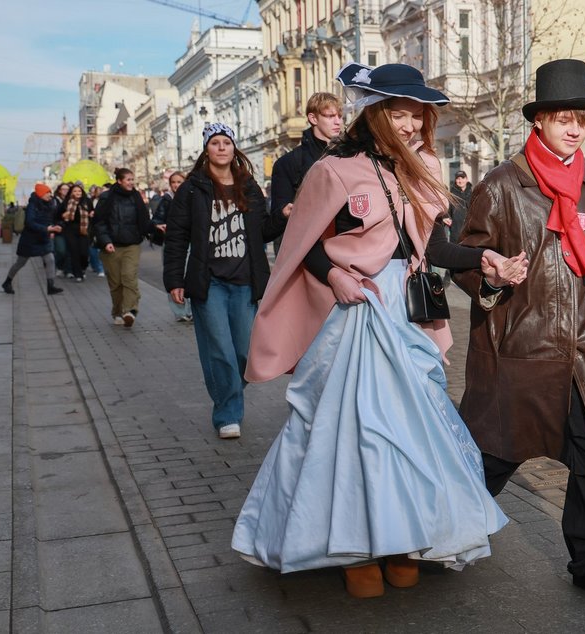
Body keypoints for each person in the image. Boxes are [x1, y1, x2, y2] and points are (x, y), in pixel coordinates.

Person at [232, 62, 526, 599]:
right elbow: (301, 245)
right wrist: (335, 275)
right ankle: (355, 549)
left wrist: (484, 258)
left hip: (405, 312)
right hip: (356, 311)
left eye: (418, 115)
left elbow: (435, 249)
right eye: (399, 114)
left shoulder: (426, 165)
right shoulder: (333, 169)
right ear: (374, 112)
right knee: (349, 429)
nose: (411, 125)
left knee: (411, 430)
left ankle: (400, 541)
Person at [453, 58, 585, 605]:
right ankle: (443, 533)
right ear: (538, 120)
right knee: (491, 458)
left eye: (581, 119)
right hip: (520, 346)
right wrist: (491, 274)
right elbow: (465, 259)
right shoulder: (501, 185)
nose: (575, 128)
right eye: (563, 118)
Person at [165, 124, 288, 439]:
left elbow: (262, 231)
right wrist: (174, 279)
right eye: (215, 143)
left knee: (246, 352)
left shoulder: (249, 186)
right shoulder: (192, 189)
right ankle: (227, 414)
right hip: (210, 283)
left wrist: (282, 216)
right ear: (206, 150)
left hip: (245, 281)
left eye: (226, 142)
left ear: (234, 149)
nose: (221, 147)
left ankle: (228, 388)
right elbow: (176, 237)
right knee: (219, 349)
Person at [269, 92, 343, 253]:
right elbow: (275, 223)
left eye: (340, 116)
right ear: (313, 118)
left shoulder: (349, 156)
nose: (338, 121)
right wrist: (286, 213)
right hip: (309, 250)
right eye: (330, 116)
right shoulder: (288, 163)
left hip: (345, 247)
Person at [91, 168, 152, 327]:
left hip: (132, 244)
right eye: (128, 180)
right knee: (116, 283)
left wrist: (154, 229)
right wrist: (106, 241)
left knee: (129, 277)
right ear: (119, 181)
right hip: (111, 246)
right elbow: (99, 222)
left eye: (132, 179)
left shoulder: (136, 197)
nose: (132, 182)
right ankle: (117, 312)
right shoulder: (106, 197)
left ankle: (130, 311)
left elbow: (144, 219)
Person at [1, 184, 64, 295]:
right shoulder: (32, 205)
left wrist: (56, 226)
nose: (50, 195)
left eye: (50, 192)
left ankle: (50, 286)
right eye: (47, 193)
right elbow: (29, 223)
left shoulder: (51, 204)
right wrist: (46, 228)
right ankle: (7, 282)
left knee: (50, 259)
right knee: (20, 263)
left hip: (43, 238)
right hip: (29, 240)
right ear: (40, 194)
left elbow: (52, 219)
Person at [152, 171, 192, 322]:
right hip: (171, 241)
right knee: (173, 275)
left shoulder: (192, 198)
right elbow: (157, 219)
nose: (176, 185)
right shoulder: (167, 199)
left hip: (190, 241)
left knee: (191, 274)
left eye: (179, 182)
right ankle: (180, 312)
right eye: (173, 182)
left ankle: (192, 310)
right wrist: (159, 225)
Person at [58, 184, 93, 282]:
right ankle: (78, 274)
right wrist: (63, 216)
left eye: (79, 191)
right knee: (74, 252)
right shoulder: (67, 202)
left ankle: (83, 268)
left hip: (84, 229)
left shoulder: (87, 201)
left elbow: (92, 211)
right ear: (71, 193)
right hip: (70, 230)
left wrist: (92, 214)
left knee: (84, 253)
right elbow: (57, 214)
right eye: (75, 191)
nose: (77, 193)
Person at [51, 182, 71, 277]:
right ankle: (60, 267)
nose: (65, 191)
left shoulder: (72, 201)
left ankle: (68, 270)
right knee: (61, 250)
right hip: (58, 229)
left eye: (67, 189)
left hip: (70, 229)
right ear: (59, 190)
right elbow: (52, 215)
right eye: (63, 189)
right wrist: (52, 229)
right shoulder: (54, 201)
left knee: (70, 251)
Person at [87, 185, 106, 278]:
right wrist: (89, 214)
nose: (99, 193)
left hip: (103, 226)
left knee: (100, 248)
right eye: (97, 191)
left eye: (100, 191)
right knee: (94, 248)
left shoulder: (106, 201)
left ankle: (101, 268)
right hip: (92, 227)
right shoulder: (91, 201)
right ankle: (97, 267)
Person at [448, 169, 472, 243]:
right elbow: (446, 209)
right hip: (456, 230)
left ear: (466, 179)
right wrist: (446, 217)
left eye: (462, 178)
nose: (460, 181)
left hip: (470, 230)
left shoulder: (473, 193)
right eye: (458, 179)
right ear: (455, 180)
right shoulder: (451, 194)